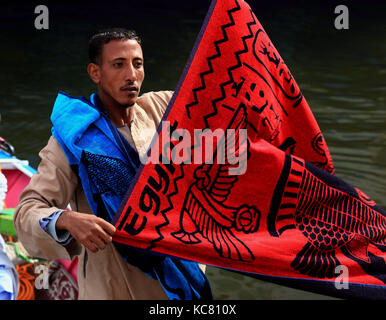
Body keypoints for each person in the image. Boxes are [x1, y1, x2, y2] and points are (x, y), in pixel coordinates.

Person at [14, 28, 211, 300]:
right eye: (118, 65)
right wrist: (67, 219)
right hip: (113, 286)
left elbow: (219, 97)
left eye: (137, 64)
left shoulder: (162, 108)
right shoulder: (74, 138)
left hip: (183, 274)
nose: (131, 75)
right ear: (95, 73)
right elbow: (26, 212)